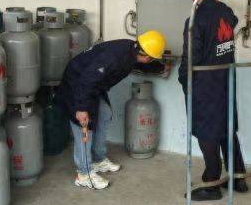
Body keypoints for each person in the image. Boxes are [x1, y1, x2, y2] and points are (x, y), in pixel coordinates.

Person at [55, 31, 167, 190]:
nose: (151, 60)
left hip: (92, 86)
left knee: (104, 114)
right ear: (146, 55)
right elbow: (87, 80)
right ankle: (84, 174)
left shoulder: (131, 50)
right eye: (152, 58)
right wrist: (81, 108)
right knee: (84, 127)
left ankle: (98, 159)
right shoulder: (114, 57)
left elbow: (138, 64)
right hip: (78, 85)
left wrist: (161, 67)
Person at [179, 0, 248, 201]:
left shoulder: (195, 19)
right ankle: (238, 177)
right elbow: (234, 21)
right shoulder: (226, 13)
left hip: (205, 83)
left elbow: (191, 57)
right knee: (226, 127)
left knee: (207, 132)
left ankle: (211, 184)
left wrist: (184, 80)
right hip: (226, 80)